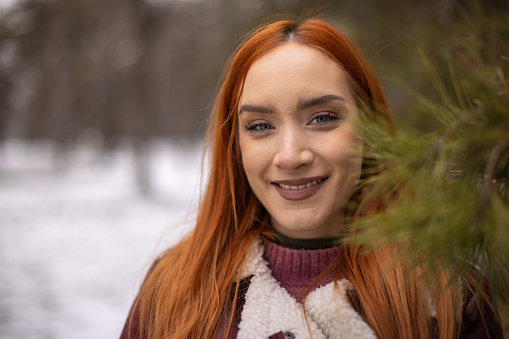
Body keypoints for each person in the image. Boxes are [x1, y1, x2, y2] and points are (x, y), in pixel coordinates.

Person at [120, 18, 503, 339]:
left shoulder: (449, 293)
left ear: (371, 128)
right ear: (235, 145)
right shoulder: (173, 288)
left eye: (322, 118)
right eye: (260, 125)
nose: (290, 156)